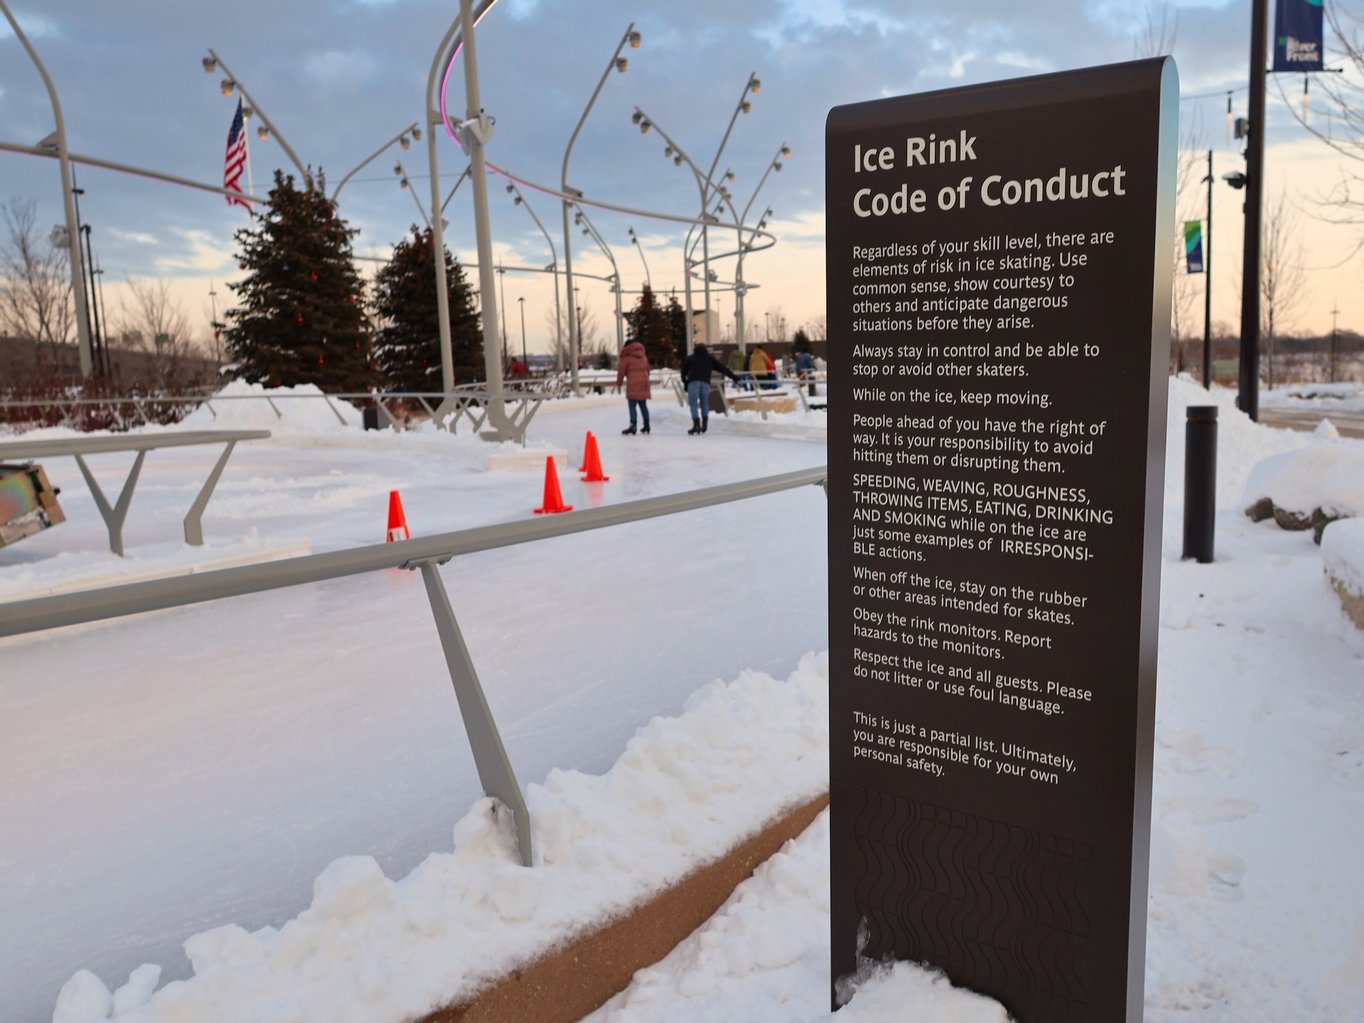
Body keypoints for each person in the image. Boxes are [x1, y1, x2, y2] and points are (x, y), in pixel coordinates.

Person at [680, 343, 738, 435]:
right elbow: (722, 368)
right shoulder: (710, 358)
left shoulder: (690, 358)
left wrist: (686, 383)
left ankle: (696, 425)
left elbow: (683, 373)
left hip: (693, 383)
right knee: (704, 403)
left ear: (695, 349)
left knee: (693, 404)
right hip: (705, 383)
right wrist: (734, 377)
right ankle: (705, 424)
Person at [615, 337, 652, 435]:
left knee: (632, 405)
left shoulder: (626, 357)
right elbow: (648, 370)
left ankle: (633, 425)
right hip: (644, 383)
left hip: (633, 384)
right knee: (643, 405)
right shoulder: (643, 356)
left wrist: (619, 383)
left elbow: (621, 372)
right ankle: (647, 425)